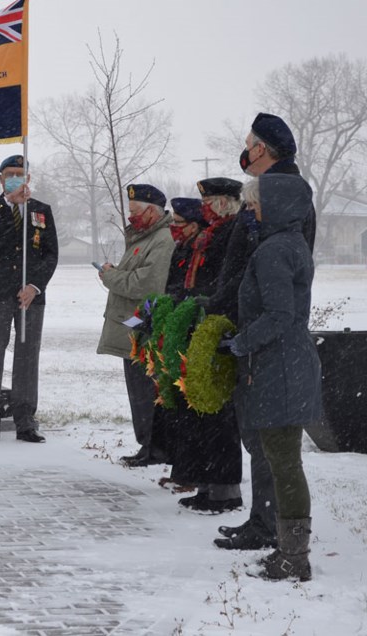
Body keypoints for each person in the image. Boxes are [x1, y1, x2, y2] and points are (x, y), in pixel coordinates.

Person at [211, 113, 317, 551]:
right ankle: (263, 519)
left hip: (267, 337)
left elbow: (278, 292)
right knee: (262, 437)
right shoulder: (270, 201)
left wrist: (245, 331)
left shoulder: (282, 205)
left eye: (251, 145)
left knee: (272, 444)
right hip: (255, 327)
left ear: (262, 149)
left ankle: (272, 526)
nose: (249, 210)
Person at [161, 193, 243, 513]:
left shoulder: (229, 233)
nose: (205, 205)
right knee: (199, 411)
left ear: (224, 203)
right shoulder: (210, 235)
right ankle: (208, 484)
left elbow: (225, 280)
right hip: (198, 322)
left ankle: (225, 491)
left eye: (210, 200)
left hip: (216, 324)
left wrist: (209, 303)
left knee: (218, 413)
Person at [0, 155, 59, 444]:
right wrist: (9, 201)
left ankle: (25, 421)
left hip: (29, 297)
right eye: (10, 174)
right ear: (1, 178)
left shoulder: (41, 211)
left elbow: (50, 253)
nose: (16, 177)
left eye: (20, 173)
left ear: (29, 178)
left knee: (27, 356)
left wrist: (34, 286)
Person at [96, 184, 174, 467]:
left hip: (148, 328)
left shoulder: (163, 240)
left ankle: (156, 447)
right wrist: (116, 274)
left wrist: (111, 278)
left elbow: (148, 284)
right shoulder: (144, 237)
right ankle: (148, 445)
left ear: (153, 211)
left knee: (147, 390)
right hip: (136, 327)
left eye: (136, 212)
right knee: (138, 390)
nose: (131, 218)